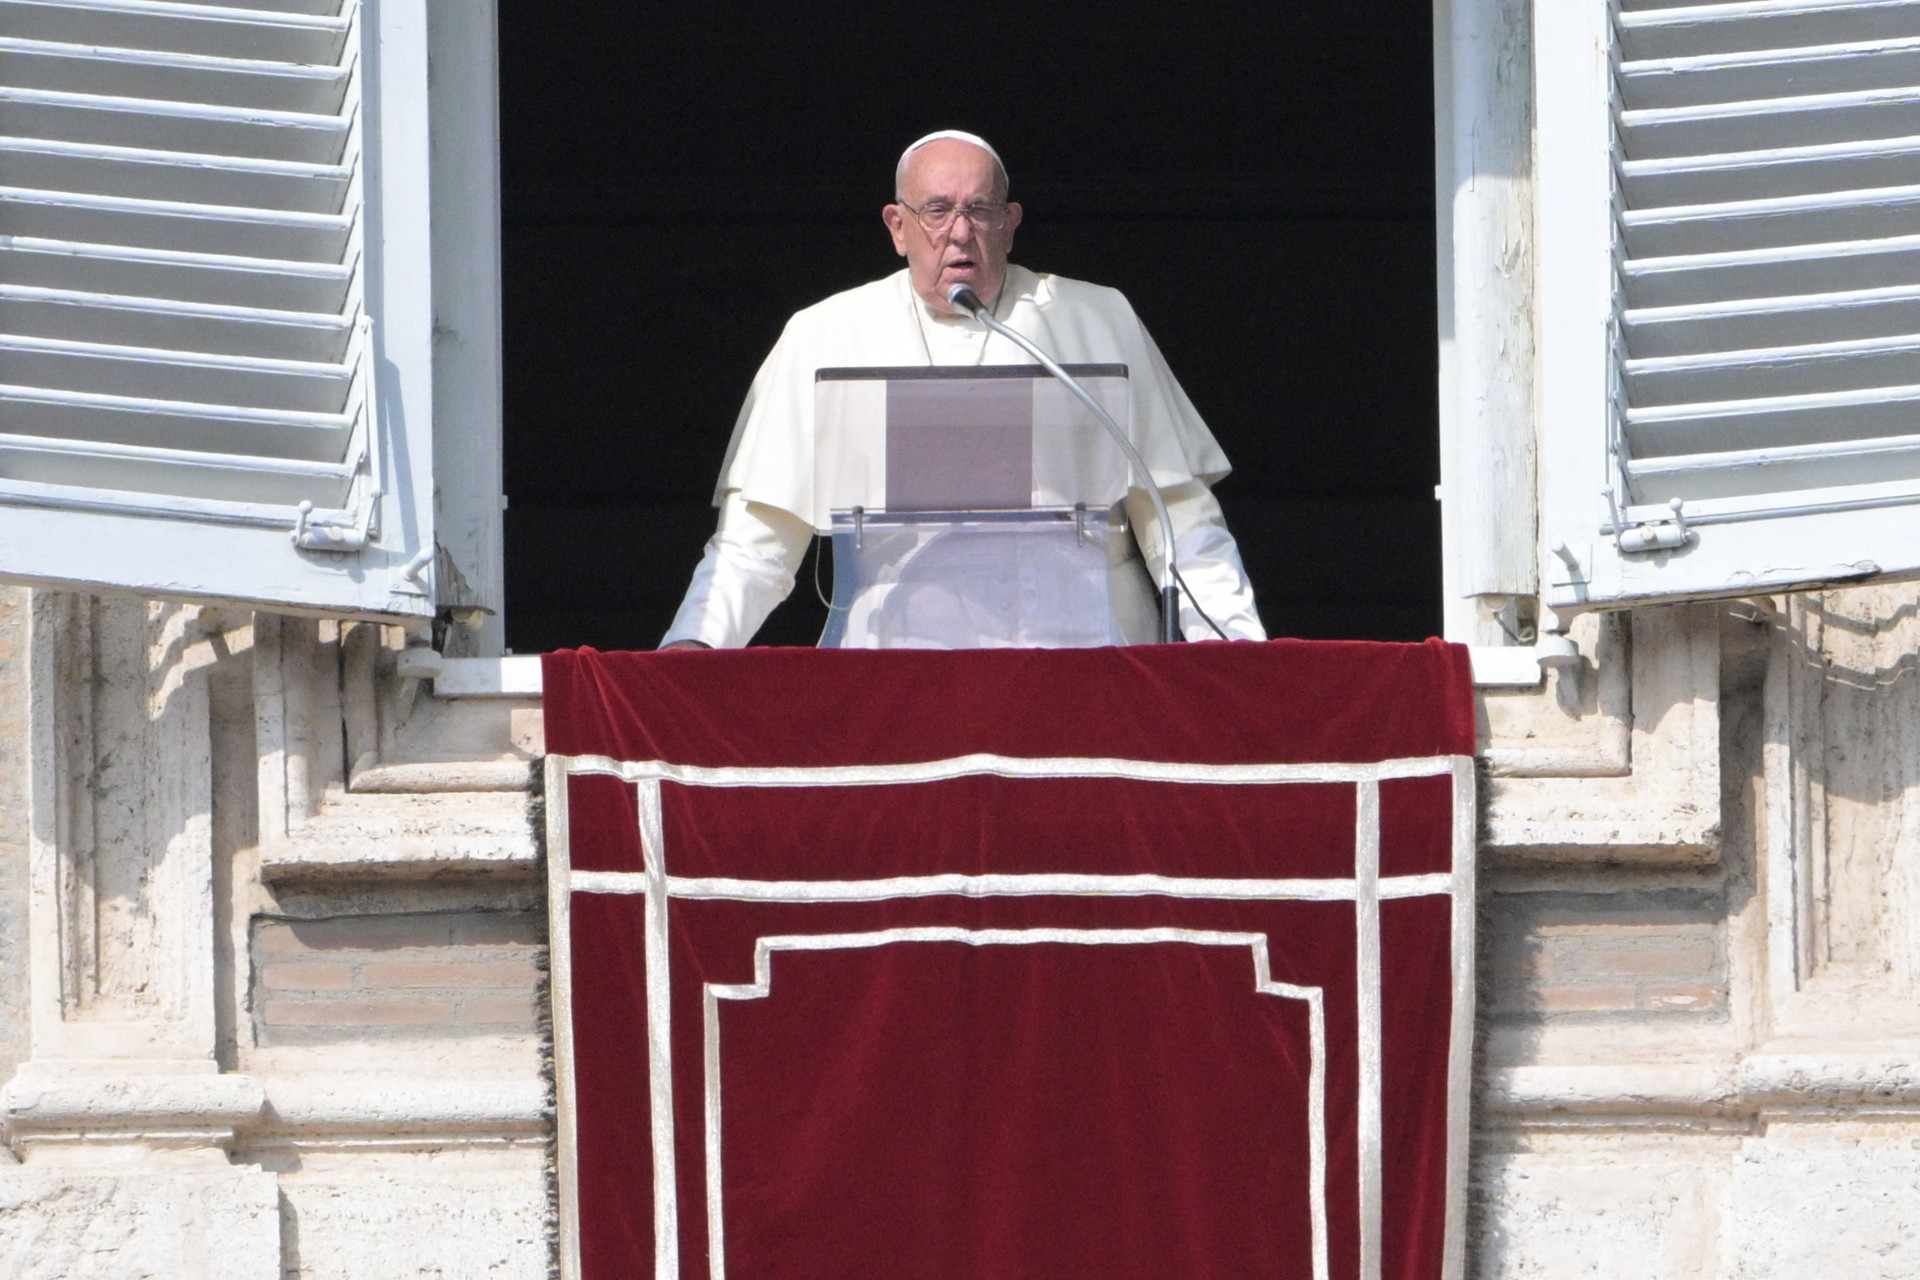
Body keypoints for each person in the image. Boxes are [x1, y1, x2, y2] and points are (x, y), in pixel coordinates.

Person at [661, 130, 1264, 649]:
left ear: (1009, 224)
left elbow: (1178, 519)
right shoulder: (823, 334)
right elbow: (757, 539)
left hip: (1086, 656)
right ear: (898, 227)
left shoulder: (1095, 318)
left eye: (979, 210)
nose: (959, 232)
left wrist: (1240, 649)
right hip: (896, 661)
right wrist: (696, 641)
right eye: (937, 210)